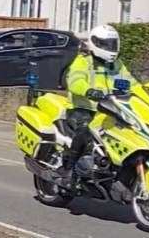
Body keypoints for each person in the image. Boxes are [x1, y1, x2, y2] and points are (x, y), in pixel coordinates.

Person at [56, 24, 138, 186]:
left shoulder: (117, 65)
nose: (110, 48)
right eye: (106, 44)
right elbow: (75, 81)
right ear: (95, 43)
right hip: (83, 109)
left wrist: (142, 93)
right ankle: (69, 170)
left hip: (110, 110)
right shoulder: (83, 61)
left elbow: (132, 83)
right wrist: (89, 91)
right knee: (86, 130)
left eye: (113, 44)